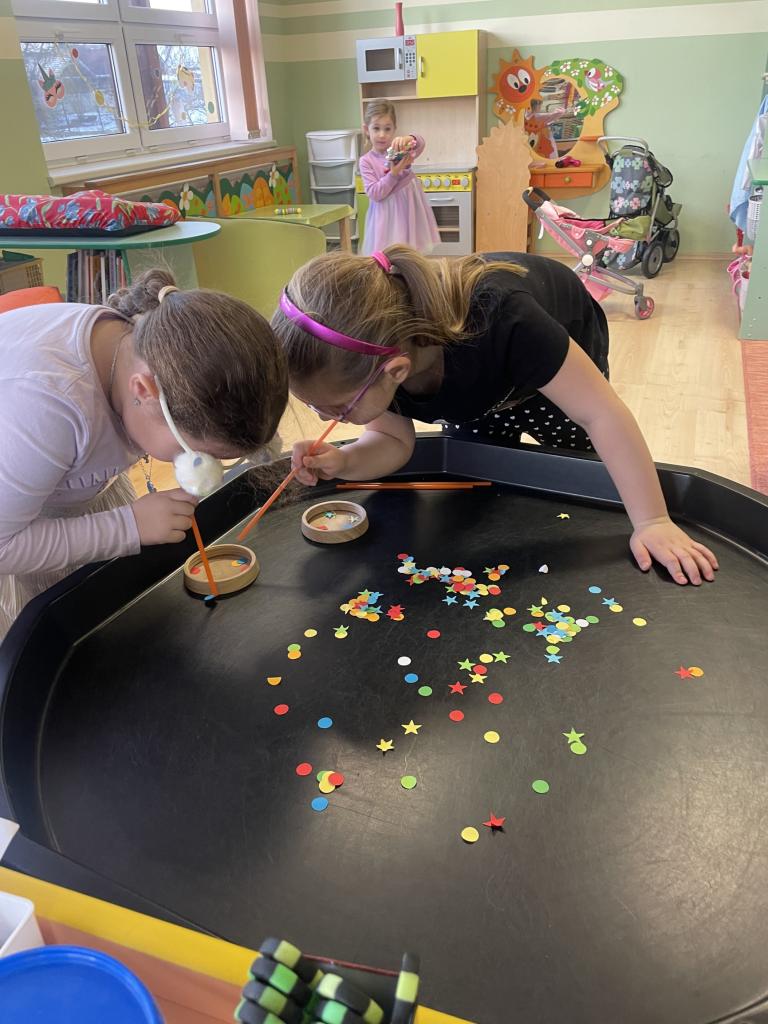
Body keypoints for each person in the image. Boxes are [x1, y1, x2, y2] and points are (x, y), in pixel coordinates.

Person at [271, 246, 718, 586]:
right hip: (474, 377)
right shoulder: (381, 357)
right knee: (486, 468)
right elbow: (392, 441)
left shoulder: (507, 318)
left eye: (337, 408)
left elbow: (601, 414)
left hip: (546, 351)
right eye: (314, 406)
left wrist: (652, 521)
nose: (327, 418)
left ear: (396, 372)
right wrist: (345, 460)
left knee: (573, 462)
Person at [0, 269, 287, 639]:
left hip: (64, 493)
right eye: (196, 455)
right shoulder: (48, 406)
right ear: (145, 391)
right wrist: (128, 527)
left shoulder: (144, 351)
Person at [359, 99, 439, 255]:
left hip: (408, 211)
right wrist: (394, 174)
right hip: (386, 217)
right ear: (366, 129)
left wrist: (409, 138)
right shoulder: (366, 161)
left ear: (395, 129)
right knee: (388, 256)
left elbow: (420, 143)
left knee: (409, 255)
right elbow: (375, 193)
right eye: (376, 128)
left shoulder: (400, 149)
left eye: (387, 129)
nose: (382, 135)